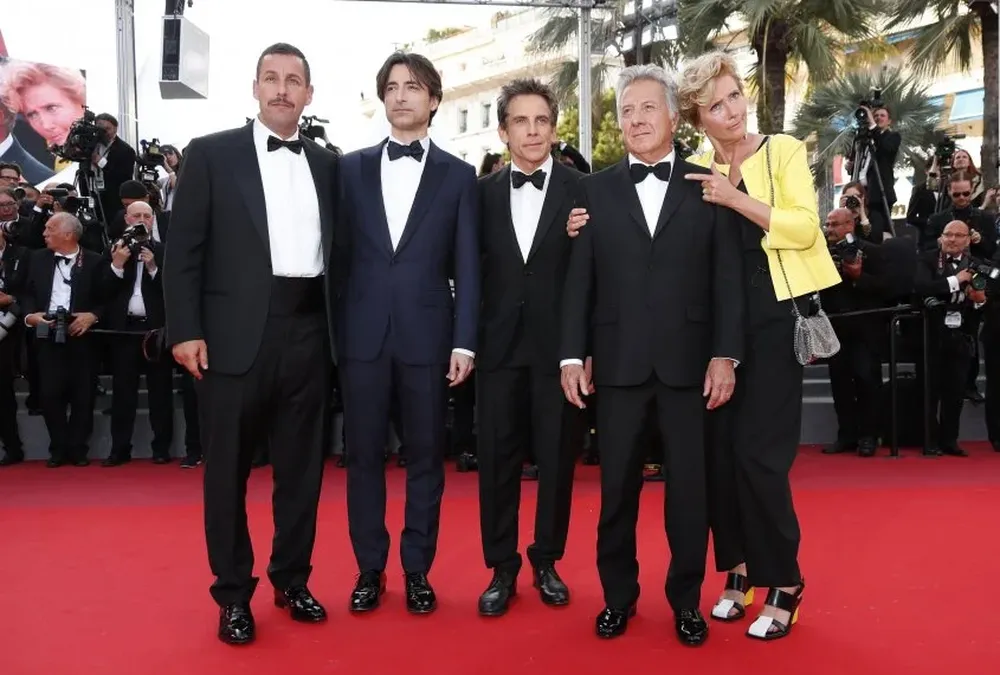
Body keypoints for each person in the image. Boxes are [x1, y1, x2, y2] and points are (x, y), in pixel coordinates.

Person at [566, 51, 839, 641]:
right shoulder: (687, 170)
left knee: (760, 462)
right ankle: (736, 573)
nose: (732, 110)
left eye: (735, 96)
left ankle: (783, 581)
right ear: (696, 117)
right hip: (699, 340)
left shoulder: (776, 153)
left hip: (766, 324)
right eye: (716, 104)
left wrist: (734, 197)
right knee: (713, 467)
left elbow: (805, 228)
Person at [559, 64, 744, 644]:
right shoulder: (592, 192)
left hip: (691, 367)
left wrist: (725, 355)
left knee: (689, 495)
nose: (636, 120)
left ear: (671, 115)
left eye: (647, 108)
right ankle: (618, 598)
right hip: (616, 367)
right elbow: (579, 282)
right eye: (627, 111)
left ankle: (686, 601)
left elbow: (727, 279)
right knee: (616, 493)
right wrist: (571, 354)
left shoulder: (706, 183)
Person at [164, 43, 340, 646]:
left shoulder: (328, 164)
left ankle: (292, 579)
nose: (283, 89)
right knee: (228, 475)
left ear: (309, 94)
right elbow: (181, 252)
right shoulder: (211, 154)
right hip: (232, 339)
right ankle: (233, 595)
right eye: (272, 78)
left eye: (295, 80)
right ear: (256, 87)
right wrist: (185, 329)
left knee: (302, 472)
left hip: (310, 331)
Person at [337, 51, 479, 616]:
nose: (401, 96)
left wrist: (464, 340)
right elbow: (339, 258)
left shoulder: (459, 175)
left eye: (413, 87)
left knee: (426, 459)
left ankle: (417, 568)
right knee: (363, 458)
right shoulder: (348, 168)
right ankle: (369, 568)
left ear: (434, 100)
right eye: (392, 87)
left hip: (429, 340)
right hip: (362, 339)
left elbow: (467, 266)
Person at [475, 78, 583, 617]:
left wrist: (582, 349)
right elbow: (470, 274)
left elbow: (594, 276)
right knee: (495, 461)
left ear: (554, 127)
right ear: (503, 131)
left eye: (542, 120)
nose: (533, 130)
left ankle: (547, 560)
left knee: (559, 461)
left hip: (558, 353)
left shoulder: (580, 190)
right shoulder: (481, 195)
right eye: (521, 121)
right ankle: (501, 567)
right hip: (496, 351)